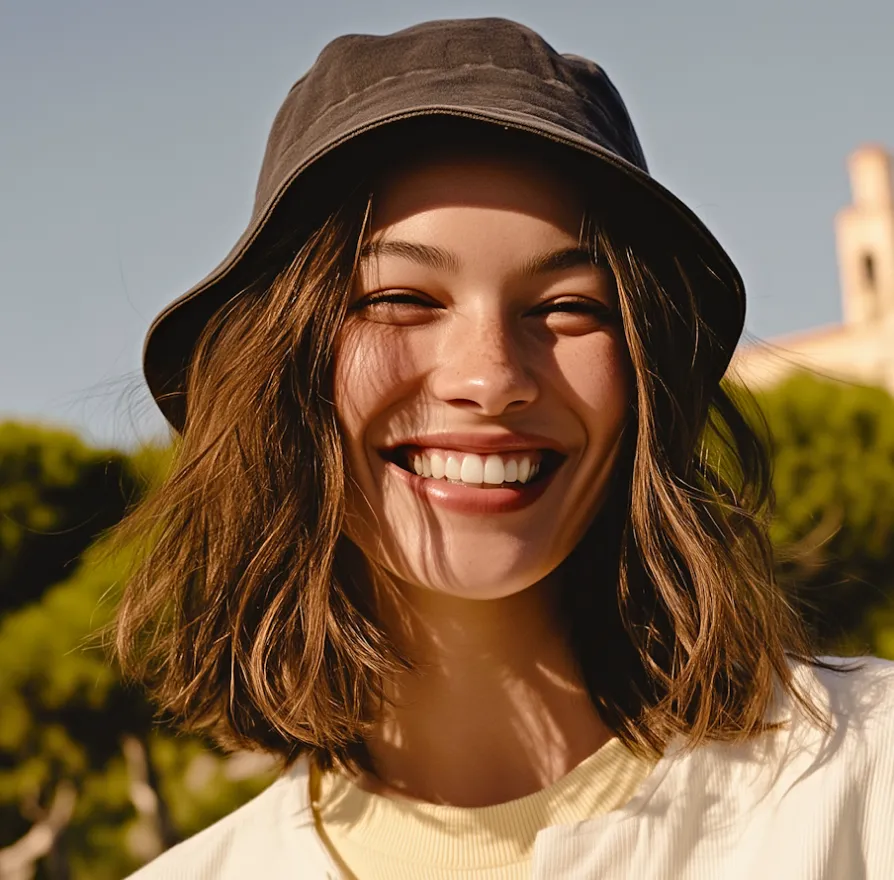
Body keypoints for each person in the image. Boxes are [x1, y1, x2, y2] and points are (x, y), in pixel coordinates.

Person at [117, 17, 894, 880]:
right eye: (401, 298)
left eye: (568, 307)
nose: (491, 379)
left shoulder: (865, 779)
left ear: (645, 374)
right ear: (280, 367)